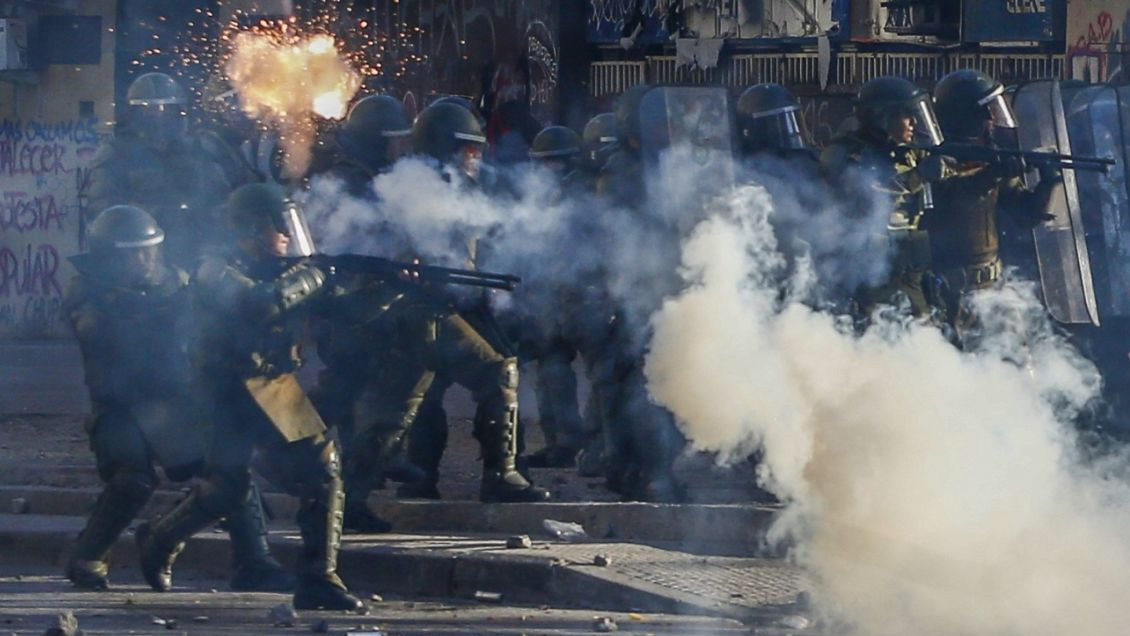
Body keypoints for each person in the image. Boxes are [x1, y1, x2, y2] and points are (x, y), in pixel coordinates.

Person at [133, 184, 363, 611]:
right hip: (225, 391)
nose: (287, 235)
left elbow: (342, 309)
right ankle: (317, 578)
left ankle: (162, 536)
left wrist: (367, 285)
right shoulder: (215, 269)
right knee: (303, 469)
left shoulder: (279, 268)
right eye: (279, 225)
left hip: (265, 384)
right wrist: (314, 276)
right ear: (252, 228)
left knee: (236, 485)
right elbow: (261, 304)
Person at [63, 205, 292, 593]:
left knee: (228, 466)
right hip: (120, 406)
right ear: (108, 258)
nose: (145, 260)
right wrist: (172, 311)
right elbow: (110, 334)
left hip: (171, 402)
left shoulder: (176, 283)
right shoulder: (88, 295)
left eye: (150, 251)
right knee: (131, 480)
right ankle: (88, 558)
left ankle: (252, 560)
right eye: (134, 254)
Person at [336, 102, 549, 504]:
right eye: (469, 150)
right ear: (447, 147)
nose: (476, 158)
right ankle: (499, 476)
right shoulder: (421, 187)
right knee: (496, 374)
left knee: (407, 406)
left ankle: (369, 492)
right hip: (425, 309)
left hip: (435, 308)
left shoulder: (435, 184)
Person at [925, 69, 1059, 342]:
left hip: (993, 287)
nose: (992, 120)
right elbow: (956, 194)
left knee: (1013, 358)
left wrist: (1048, 182)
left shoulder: (989, 160)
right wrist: (994, 173)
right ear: (966, 116)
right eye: (987, 112)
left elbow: (1025, 214)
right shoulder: (934, 163)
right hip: (949, 292)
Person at [820, 75, 957, 320]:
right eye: (906, 115)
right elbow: (868, 190)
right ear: (882, 117)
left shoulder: (906, 153)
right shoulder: (846, 153)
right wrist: (919, 176)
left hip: (910, 271)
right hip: (872, 276)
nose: (914, 122)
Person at [88, 72, 231, 270]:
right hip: (140, 257)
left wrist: (214, 248)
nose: (160, 115)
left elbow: (220, 201)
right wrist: (156, 215)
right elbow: (104, 213)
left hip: (196, 252)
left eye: (167, 108)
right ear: (135, 112)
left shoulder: (197, 150)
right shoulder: (116, 154)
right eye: (151, 109)